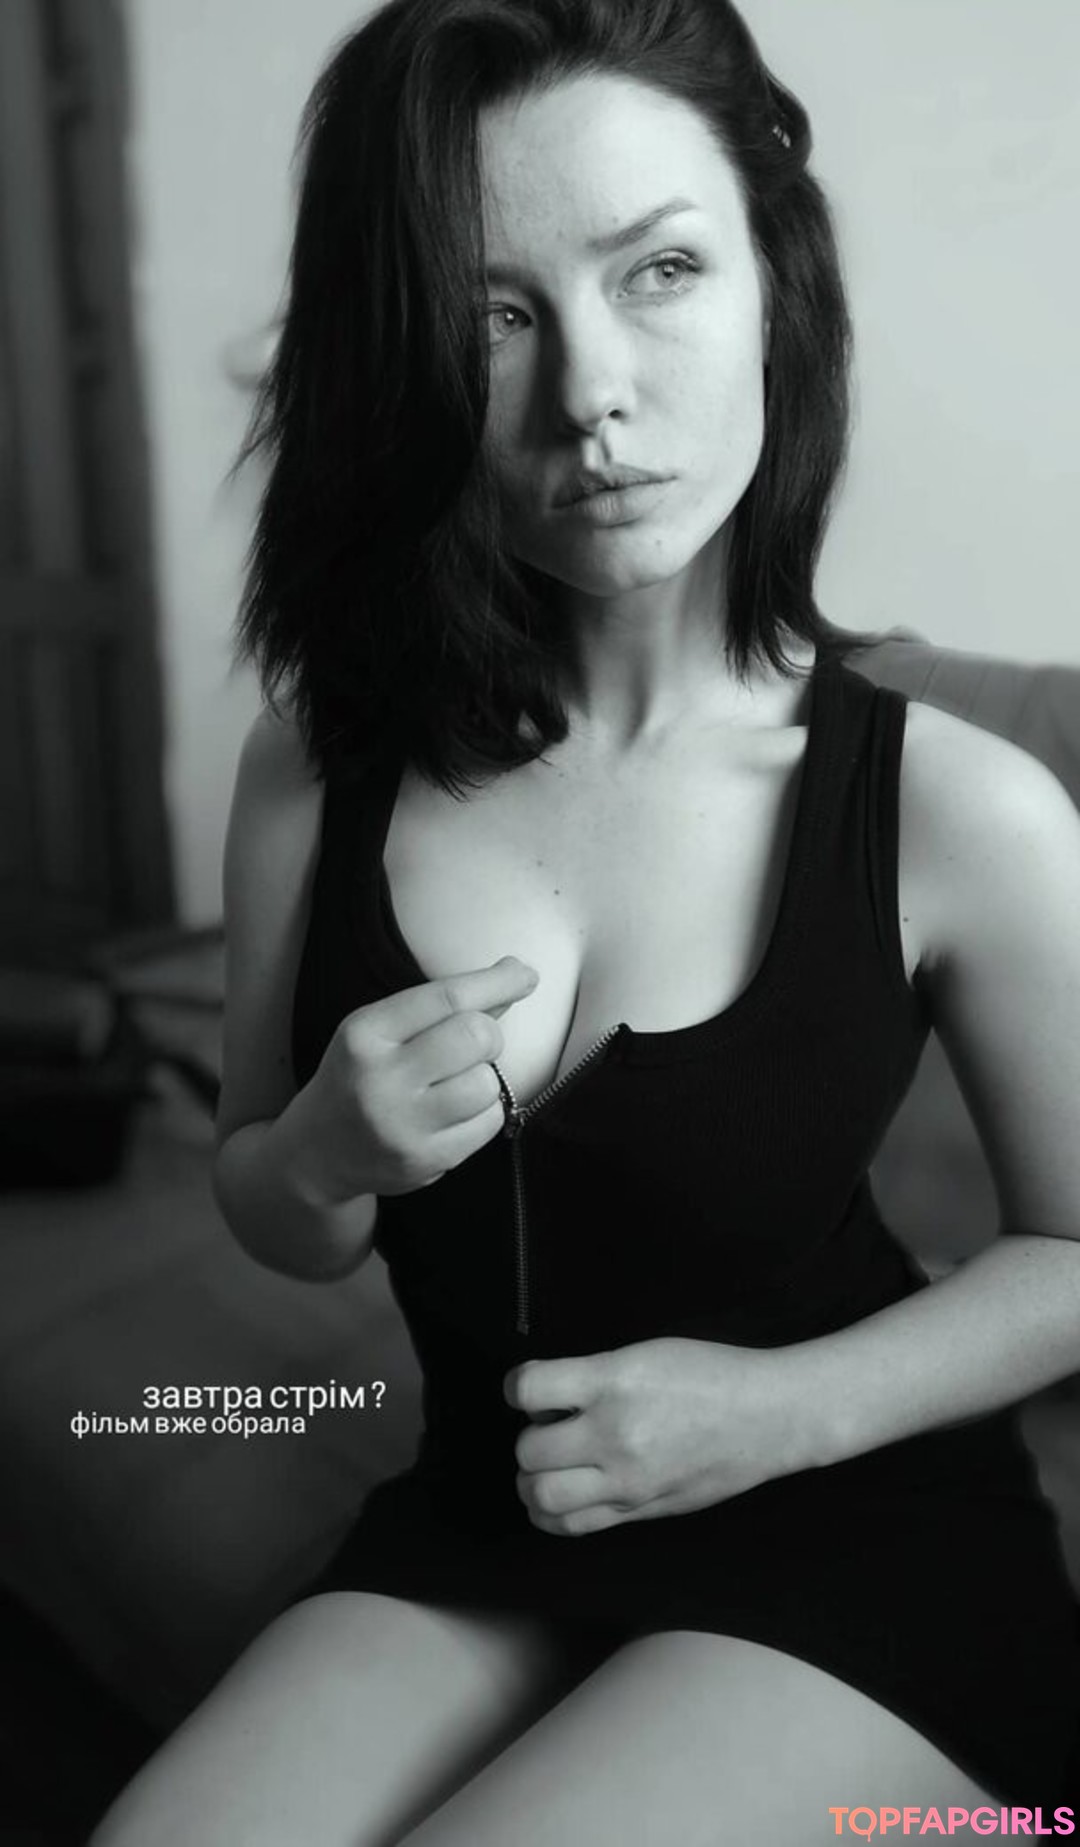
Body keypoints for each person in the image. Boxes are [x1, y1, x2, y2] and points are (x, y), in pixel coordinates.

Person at [91, 1, 1080, 1841]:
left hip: (852, 1533)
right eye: (494, 314)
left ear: (775, 287)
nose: (592, 394)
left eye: (662, 271)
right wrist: (320, 1151)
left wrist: (777, 1413)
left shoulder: (961, 809)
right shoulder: (318, 767)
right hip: (486, 1515)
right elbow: (268, 1198)